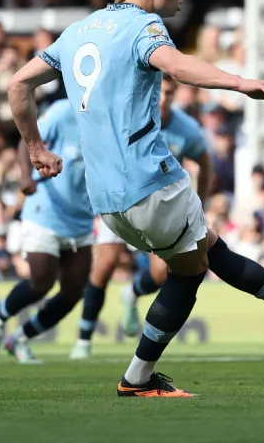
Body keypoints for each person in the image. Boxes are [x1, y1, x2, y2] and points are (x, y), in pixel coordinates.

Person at [7, 0, 264, 397]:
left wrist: (36, 147)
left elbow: (17, 84)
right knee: (191, 270)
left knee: (208, 250)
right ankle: (138, 377)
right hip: (150, 181)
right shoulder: (144, 27)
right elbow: (177, 66)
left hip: (105, 201)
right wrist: (241, 83)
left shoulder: (77, 32)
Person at [72, 76, 212, 359]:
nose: (163, 99)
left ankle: (132, 293)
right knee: (104, 266)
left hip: (155, 206)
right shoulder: (127, 112)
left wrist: (200, 203)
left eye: (169, 93)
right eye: (159, 92)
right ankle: (83, 340)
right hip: (117, 198)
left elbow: (205, 162)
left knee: (162, 273)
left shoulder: (186, 129)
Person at [0, 99, 94, 364]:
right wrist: (25, 177)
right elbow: (26, 141)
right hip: (46, 211)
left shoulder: (110, 117)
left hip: (82, 216)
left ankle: (20, 337)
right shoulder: (62, 111)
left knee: (74, 291)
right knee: (41, 283)